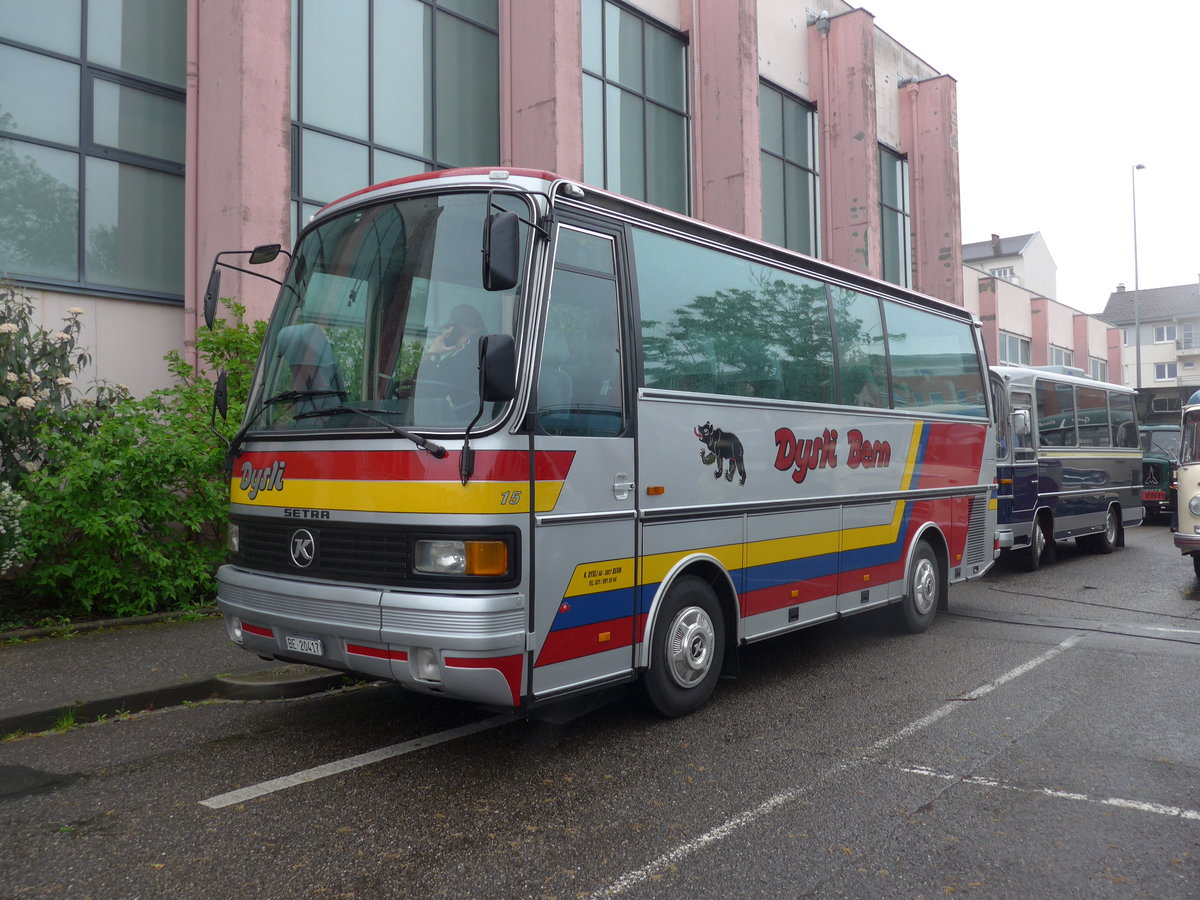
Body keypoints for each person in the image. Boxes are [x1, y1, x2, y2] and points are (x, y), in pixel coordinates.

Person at [420, 303, 485, 411]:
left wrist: (431, 354)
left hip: (467, 422)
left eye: (449, 328)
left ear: (456, 330)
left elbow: (424, 391)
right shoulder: (482, 349)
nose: (446, 333)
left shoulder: (463, 358)